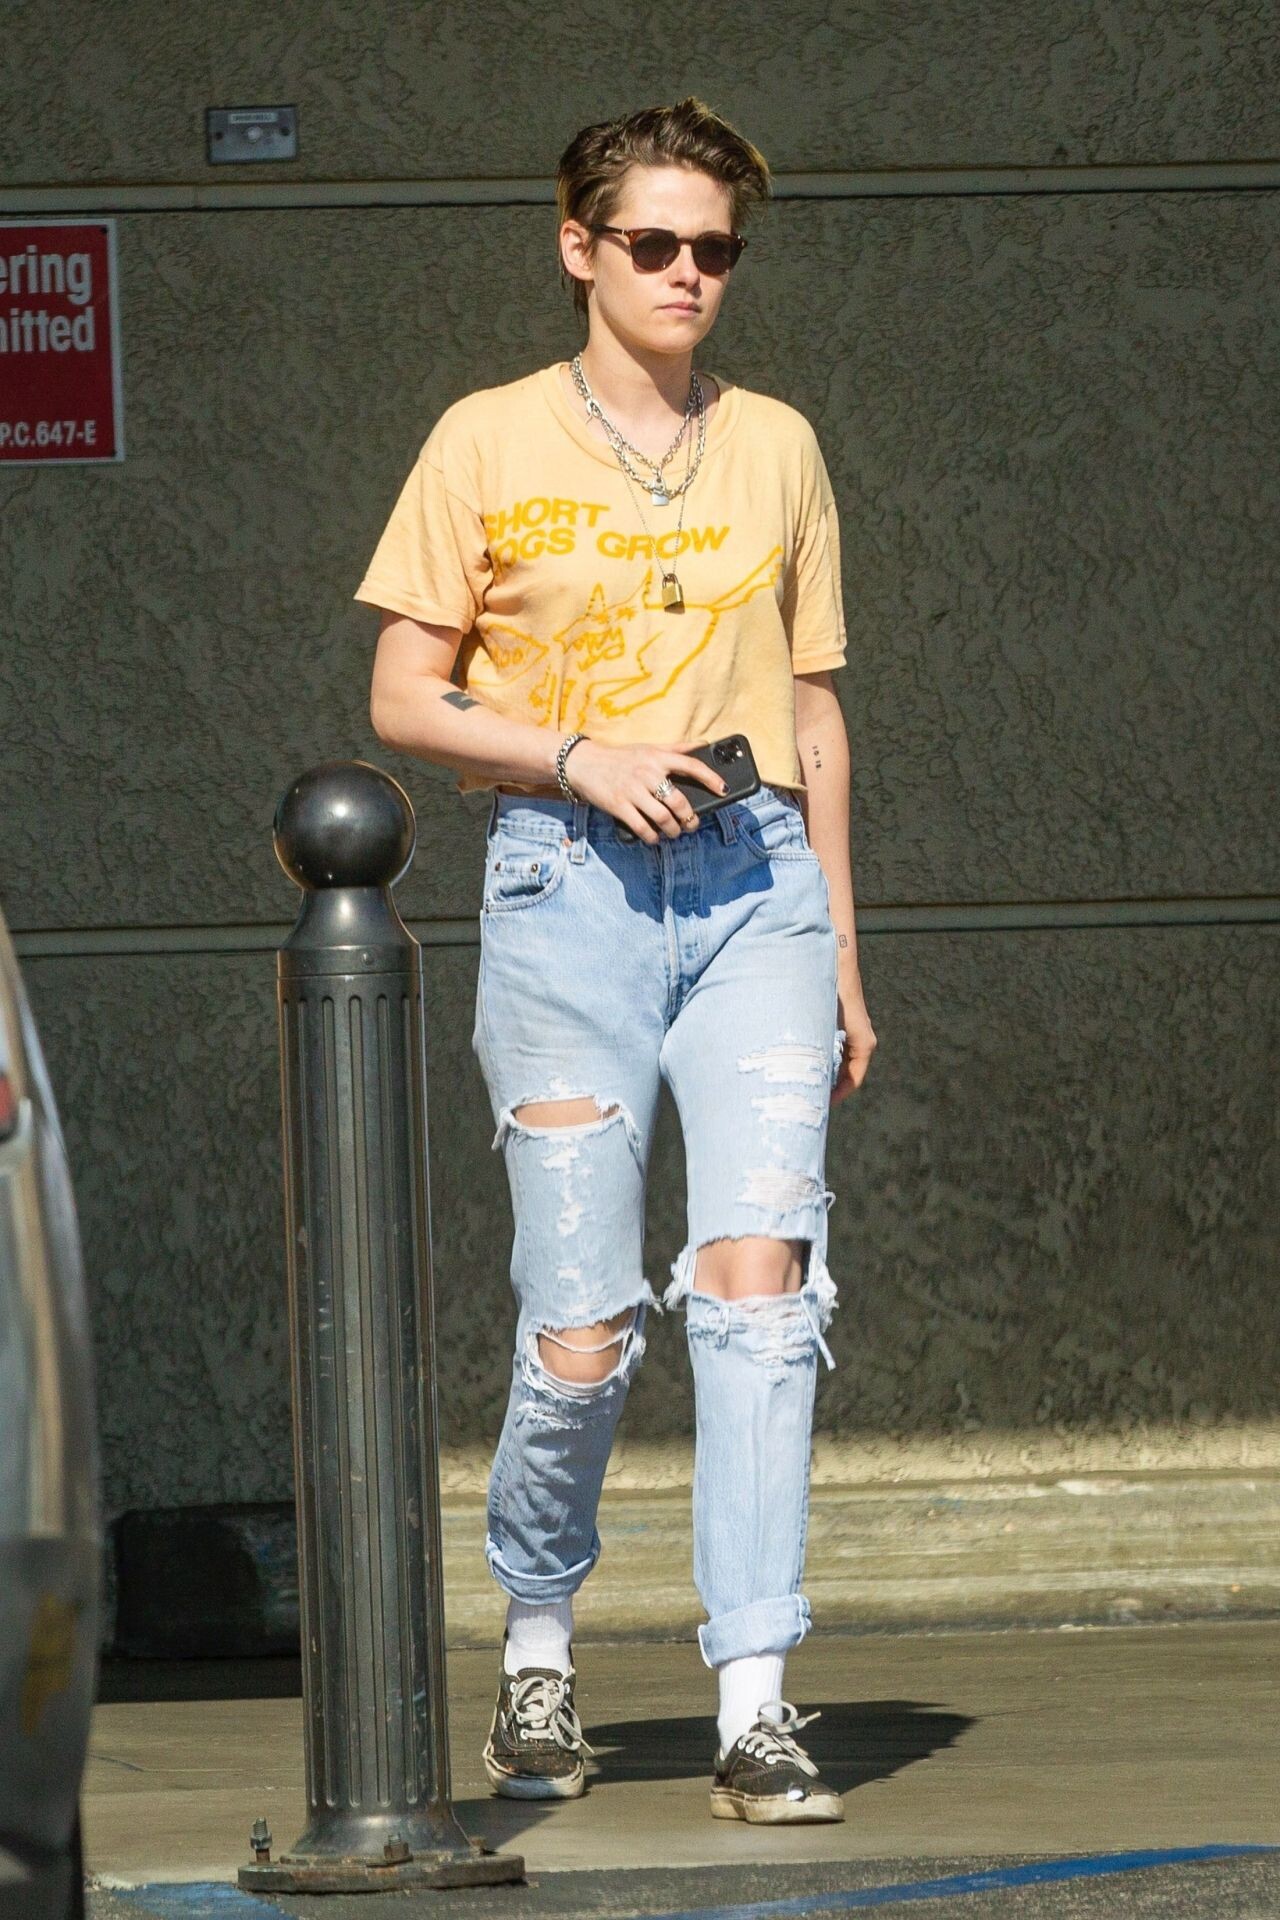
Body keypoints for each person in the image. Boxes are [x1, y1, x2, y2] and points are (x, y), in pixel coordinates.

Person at [354, 95, 877, 1825]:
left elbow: (814, 709)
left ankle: (756, 1699)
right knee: (582, 1325)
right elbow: (403, 694)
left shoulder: (778, 444)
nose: (686, 274)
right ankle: (537, 1650)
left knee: (761, 1293)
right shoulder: (485, 439)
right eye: (652, 243)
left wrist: (843, 950)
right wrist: (574, 754)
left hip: (755, 892)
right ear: (579, 247)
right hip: (564, 888)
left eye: (715, 249)